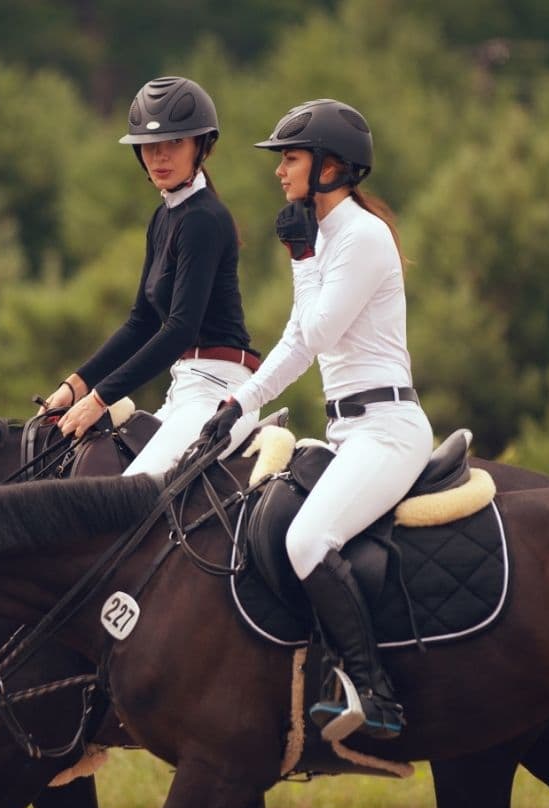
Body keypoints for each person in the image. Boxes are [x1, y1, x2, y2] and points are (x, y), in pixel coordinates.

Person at [195, 99, 428, 741]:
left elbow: (315, 333)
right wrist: (237, 406)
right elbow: (299, 336)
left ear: (330, 167)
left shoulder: (362, 236)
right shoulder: (327, 236)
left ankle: (375, 693)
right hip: (346, 430)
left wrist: (300, 261)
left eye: (290, 158)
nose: (280, 171)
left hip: (388, 429)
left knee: (306, 541)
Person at [39, 75, 260, 476]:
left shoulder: (204, 220)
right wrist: (75, 385)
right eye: (150, 146)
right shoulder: (164, 216)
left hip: (218, 389)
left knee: (131, 492)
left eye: (174, 143)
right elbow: (141, 322)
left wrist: (99, 399)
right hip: (185, 387)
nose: (160, 156)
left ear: (201, 146)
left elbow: (179, 328)